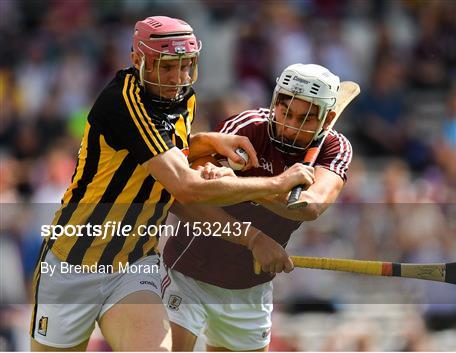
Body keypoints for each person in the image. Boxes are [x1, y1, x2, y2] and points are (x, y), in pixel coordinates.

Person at [30, 16, 314, 351]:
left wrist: (206, 143)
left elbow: (168, 170)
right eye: (166, 67)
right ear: (139, 61)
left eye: (185, 66)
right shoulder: (124, 103)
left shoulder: (183, 101)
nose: (177, 78)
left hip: (133, 264)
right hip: (72, 263)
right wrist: (277, 183)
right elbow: (184, 185)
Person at [162, 63, 353, 351]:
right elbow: (184, 199)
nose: (290, 125)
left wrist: (251, 185)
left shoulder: (335, 149)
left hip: (249, 287)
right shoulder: (248, 127)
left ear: (327, 120)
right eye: (285, 111)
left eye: (306, 119)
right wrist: (253, 237)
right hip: (188, 274)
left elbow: (310, 206)